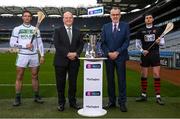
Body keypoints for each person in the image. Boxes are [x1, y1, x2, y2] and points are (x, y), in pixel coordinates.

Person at [9, 10, 45, 106]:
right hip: (22, 55)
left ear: (31, 18)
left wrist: (42, 55)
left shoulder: (36, 29)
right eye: (25, 16)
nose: (27, 17)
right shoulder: (17, 29)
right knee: (19, 76)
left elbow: (40, 43)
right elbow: (12, 43)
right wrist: (25, 45)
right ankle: (17, 98)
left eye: (29, 16)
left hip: (34, 55)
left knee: (35, 76)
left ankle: (36, 96)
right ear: (22, 17)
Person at [53, 11, 84, 111]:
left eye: (70, 18)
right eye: (66, 18)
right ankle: (61, 103)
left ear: (73, 19)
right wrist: (67, 54)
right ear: (63, 19)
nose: (68, 19)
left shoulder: (78, 31)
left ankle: (72, 102)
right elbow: (57, 45)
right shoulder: (57, 30)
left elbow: (81, 45)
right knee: (60, 83)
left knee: (73, 83)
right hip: (60, 61)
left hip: (74, 61)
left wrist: (76, 54)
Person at [101, 7, 130, 112]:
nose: (115, 16)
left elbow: (126, 42)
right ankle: (111, 102)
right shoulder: (105, 27)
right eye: (113, 15)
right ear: (110, 16)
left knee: (121, 80)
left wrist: (117, 52)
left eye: (117, 14)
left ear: (120, 15)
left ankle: (122, 103)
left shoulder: (125, 26)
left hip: (120, 57)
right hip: (108, 58)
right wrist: (108, 53)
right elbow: (103, 43)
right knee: (110, 80)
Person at [135, 13, 165, 105]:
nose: (148, 19)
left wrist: (159, 42)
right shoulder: (140, 31)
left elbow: (163, 43)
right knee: (144, 75)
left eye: (150, 18)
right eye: (146, 18)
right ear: (145, 20)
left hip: (155, 54)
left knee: (156, 74)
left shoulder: (159, 29)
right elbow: (137, 44)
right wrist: (142, 50)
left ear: (153, 19)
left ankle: (158, 97)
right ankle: (143, 95)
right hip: (145, 54)